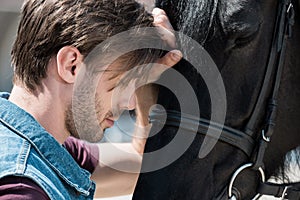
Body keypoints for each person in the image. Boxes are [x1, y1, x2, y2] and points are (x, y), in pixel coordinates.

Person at [0, 0, 182, 199]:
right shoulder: (21, 190)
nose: (129, 103)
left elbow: (140, 165)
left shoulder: (53, 150)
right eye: (124, 82)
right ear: (72, 66)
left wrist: (146, 81)